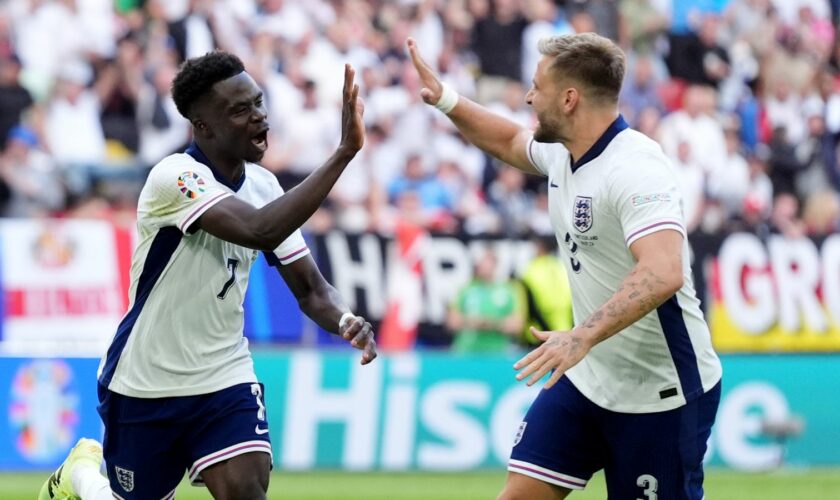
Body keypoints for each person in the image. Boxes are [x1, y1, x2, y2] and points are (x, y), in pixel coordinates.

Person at [39, 51, 376, 500]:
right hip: (145, 381)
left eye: (258, 103)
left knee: (246, 492)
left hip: (223, 376)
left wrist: (344, 320)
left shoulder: (264, 186)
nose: (259, 118)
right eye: (240, 110)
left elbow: (312, 289)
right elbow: (260, 230)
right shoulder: (174, 177)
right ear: (203, 126)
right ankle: (82, 476)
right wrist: (344, 152)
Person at [408, 33, 722, 500]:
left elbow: (663, 271)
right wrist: (448, 100)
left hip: (661, 392)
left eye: (537, 87)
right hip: (588, 378)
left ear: (570, 99)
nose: (530, 97)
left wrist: (580, 336)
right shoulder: (562, 151)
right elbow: (509, 141)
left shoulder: (636, 167)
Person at [446, 249, 526, 354]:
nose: (483, 267)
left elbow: (517, 325)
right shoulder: (466, 289)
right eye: (481, 263)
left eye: (487, 263)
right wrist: (473, 322)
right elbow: (452, 322)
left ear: (495, 265)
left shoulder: (509, 290)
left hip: (497, 353)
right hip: (466, 352)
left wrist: (490, 323)